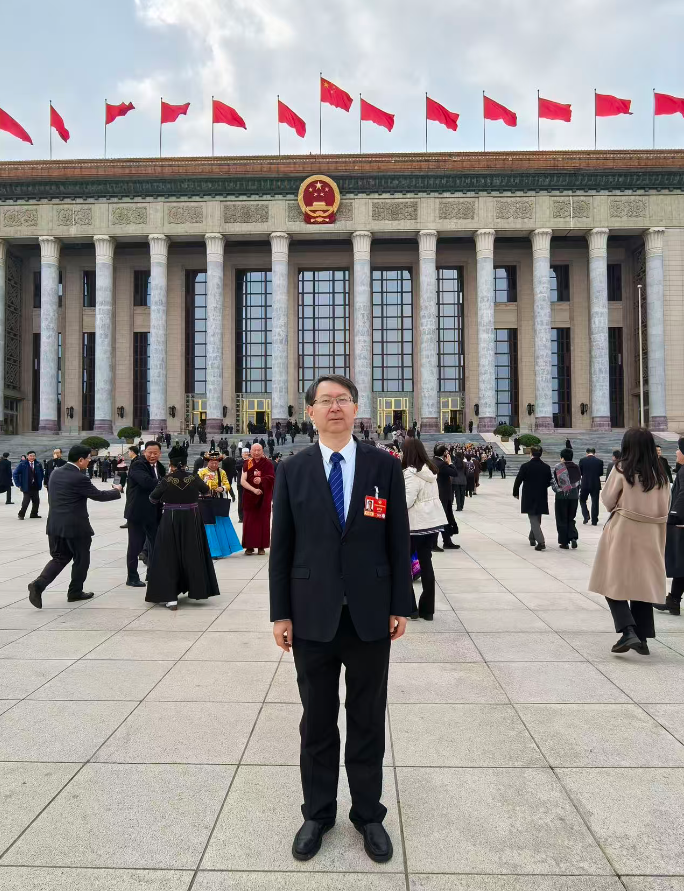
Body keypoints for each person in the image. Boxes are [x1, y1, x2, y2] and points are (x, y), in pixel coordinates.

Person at [269, 373, 411, 865]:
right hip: (312, 616)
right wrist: (280, 613)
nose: (335, 407)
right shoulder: (292, 469)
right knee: (317, 721)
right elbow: (282, 548)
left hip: (370, 616)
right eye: (325, 400)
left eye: (343, 399)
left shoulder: (383, 466)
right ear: (309, 412)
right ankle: (317, 813)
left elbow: (397, 540)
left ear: (356, 409)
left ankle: (369, 814)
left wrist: (399, 604)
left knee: (368, 718)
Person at [588, 427, 670, 655]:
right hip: (652, 533)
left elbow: (607, 499)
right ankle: (642, 638)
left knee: (610, 580)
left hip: (624, 529)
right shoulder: (660, 473)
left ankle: (628, 630)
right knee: (642, 584)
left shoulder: (622, 469)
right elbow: (666, 504)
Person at [27, 445, 122, 609]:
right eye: (88, 458)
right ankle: (75, 592)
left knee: (59, 557)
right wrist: (117, 490)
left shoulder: (56, 472)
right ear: (81, 460)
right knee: (81, 559)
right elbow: (98, 495)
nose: (89, 461)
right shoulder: (79, 477)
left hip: (55, 523)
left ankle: (38, 584)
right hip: (75, 526)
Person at [145, 445, 220, 610]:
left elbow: (153, 498)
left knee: (168, 556)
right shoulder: (193, 477)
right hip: (191, 519)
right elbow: (206, 492)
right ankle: (196, 588)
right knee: (191, 554)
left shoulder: (166, 479)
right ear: (186, 463)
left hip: (170, 519)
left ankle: (170, 597)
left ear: (171, 464)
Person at [405, 439, 447, 620]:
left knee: (403, 564)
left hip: (416, 524)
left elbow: (407, 500)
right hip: (432, 522)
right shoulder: (430, 470)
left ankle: (411, 608)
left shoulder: (411, 473)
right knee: (426, 563)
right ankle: (427, 610)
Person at [124, 441, 165, 587]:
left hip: (154, 512)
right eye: (149, 452)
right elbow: (146, 482)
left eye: (155, 453)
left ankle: (152, 573)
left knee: (156, 544)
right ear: (144, 452)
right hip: (138, 513)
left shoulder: (160, 467)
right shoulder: (138, 465)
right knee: (135, 546)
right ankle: (132, 577)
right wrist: (166, 483)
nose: (152, 455)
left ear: (160, 453)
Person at [656, 437, 684, 616]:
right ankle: (673, 600)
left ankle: (673, 600)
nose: (676, 452)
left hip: (680, 522)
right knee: (681, 563)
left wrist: (674, 514)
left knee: (680, 561)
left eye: (679, 449)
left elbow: (683, 494)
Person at [198, 451, 242, 558]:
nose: (214, 464)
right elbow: (197, 485)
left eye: (216, 462)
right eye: (212, 462)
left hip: (218, 501)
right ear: (208, 462)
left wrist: (222, 488)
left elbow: (227, 485)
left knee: (220, 524)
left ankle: (222, 549)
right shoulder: (202, 472)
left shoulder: (221, 472)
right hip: (205, 501)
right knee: (208, 526)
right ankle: (211, 551)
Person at [512, 446, 552, 551]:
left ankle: (541, 542)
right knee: (537, 518)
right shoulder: (546, 467)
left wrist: (515, 492)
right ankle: (532, 537)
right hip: (541, 495)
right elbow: (549, 482)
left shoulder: (525, 466)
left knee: (533, 519)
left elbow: (518, 480)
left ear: (531, 453)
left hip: (529, 495)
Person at [241, 442, 275, 555]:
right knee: (249, 521)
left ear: (262, 451)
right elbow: (242, 481)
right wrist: (253, 490)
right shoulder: (248, 463)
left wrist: (262, 480)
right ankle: (249, 547)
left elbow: (272, 478)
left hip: (264, 497)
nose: (256, 452)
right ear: (250, 452)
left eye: (258, 450)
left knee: (263, 521)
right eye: (254, 450)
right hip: (250, 497)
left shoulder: (268, 463)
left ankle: (261, 547)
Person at [551, 448, 581, 549]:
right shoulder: (576, 467)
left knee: (561, 518)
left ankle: (564, 542)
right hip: (574, 496)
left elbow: (554, 482)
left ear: (562, 458)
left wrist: (558, 491)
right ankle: (573, 537)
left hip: (561, 496)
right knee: (571, 517)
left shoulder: (558, 467)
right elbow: (579, 482)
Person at [432, 444, 460, 550]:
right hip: (443, 495)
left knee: (445, 518)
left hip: (439, 494)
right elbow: (454, 473)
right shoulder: (442, 464)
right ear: (444, 453)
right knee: (440, 519)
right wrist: (450, 462)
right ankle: (434, 543)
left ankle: (447, 541)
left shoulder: (432, 461)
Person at [14, 450, 44, 520]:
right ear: (27, 456)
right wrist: (18, 484)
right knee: (26, 501)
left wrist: (40, 480)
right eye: (30, 456)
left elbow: (42, 473)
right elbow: (15, 474)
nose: (32, 457)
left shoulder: (38, 464)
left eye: (33, 456)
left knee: (36, 501)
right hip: (26, 486)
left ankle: (34, 514)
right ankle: (21, 514)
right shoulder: (22, 464)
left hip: (35, 486)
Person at [579, 447, 604, 526]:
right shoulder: (599, 461)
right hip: (595, 483)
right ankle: (594, 520)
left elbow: (580, 472)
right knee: (595, 502)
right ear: (594, 453)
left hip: (585, 483)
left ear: (586, 453)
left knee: (582, 500)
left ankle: (586, 515)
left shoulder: (582, 460)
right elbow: (601, 473)